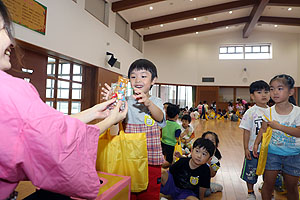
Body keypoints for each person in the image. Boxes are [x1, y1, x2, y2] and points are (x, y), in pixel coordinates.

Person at [0, 1, 128, 199]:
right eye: (3, 29)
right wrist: (110, 120)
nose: (11, 40)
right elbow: (57, 140)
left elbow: (48, 128)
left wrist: (94, 112)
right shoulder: (10, 90)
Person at [102, 59, 166, 200]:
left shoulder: (156, 101)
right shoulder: (124, 100)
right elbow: (114, 124)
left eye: (143, 76)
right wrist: (111, 104)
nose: (137, 79)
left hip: (151, 160)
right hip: (129, 158)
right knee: (128, 193)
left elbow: (160, 117)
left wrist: (148, 103)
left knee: (149, 194)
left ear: (153, 80)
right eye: (133, 76)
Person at [253, 74, 300, 200]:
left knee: (291, 187)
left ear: (291, 92)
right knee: (268, 185)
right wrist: (256, 143)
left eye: (280, 88)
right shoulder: (268, 112)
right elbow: (263, 129)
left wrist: (279, 127)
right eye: (272, 89)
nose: (274, 92)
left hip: (294, 155)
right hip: (272, 154)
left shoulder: (297, 112)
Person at [239, 80, 270, 200]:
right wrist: (246, 148)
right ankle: (250, 192)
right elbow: (246, 131)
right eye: (259, 92)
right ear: (252, 96)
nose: (264, 95)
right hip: (253, 149)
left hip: (268, 149)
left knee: (269, 172)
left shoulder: (272, 111)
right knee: (250, 171)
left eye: (266, 92)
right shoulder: (251, 112)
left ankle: (269, 191)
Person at [201, 131, 223, 196]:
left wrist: (208, 163)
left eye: (212, 141)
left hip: (203, 183)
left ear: (216, 145)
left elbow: (212, 174)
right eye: (206, 140)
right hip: (192, 179)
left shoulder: (215, 161)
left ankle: (212, 187)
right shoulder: (197, 154)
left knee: (206, 193)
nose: (209, 143)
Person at [161, 104, 181, 168]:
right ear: (177, 115)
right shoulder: (177, 126)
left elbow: (161, 132)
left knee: (163, 155)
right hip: (171, 145)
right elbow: (177, 137)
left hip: (162, 142)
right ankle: (166, 168)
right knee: (169, 160)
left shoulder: (164, 122)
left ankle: (161, 164)